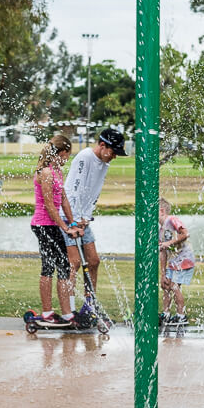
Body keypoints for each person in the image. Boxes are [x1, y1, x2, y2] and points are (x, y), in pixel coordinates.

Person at [61, 126, 125, 306]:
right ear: (103, 145)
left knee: (93, 261)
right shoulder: (85, 157)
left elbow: (93, 193)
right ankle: (70, 310)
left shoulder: (104, 163)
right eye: (113, 152)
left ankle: (90, 305)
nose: (115, 156)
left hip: (83, 219)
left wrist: (85, 218)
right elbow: (74, 189)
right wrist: (73, 220)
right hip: (68, 217)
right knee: (74, 263)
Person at [29, 133, 75, 325]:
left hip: (52, 224)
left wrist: (72, 223)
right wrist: (64, 227)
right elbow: (49, 205)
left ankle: (66, 314)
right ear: (62, 152)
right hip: (43, 225)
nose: (67, 158)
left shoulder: (57, 172)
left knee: (64, 267)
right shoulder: (46, 173)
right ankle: (47, 313)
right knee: (49, 267)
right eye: (67, 155)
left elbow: (63, 200)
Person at [158, 197, 196, 326]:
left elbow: (185, 233)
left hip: (184, 259)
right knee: (166, 286)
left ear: (162, 211)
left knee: (174, 286)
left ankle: (181, 316)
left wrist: (169, 242)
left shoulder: (172, 220)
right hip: (173, 262)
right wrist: (162, 274)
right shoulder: (160, 230)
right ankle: (166, 314)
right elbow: (162, 252)